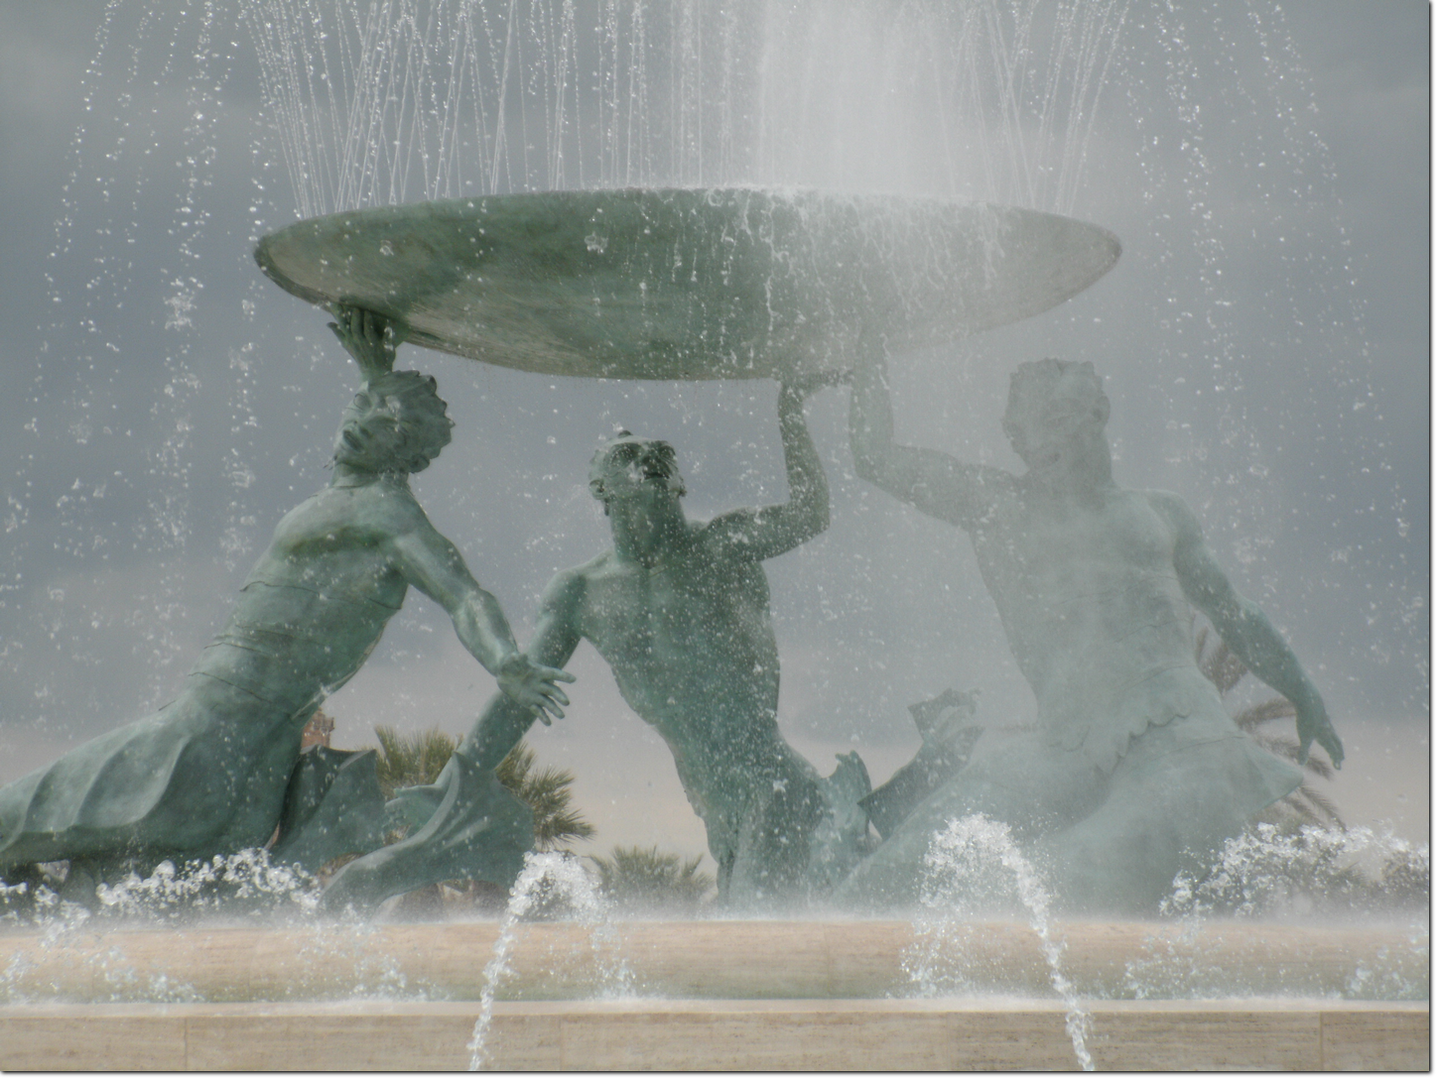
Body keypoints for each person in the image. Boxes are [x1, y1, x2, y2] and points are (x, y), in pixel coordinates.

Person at [0, 308, 571, 884]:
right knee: (120, 894)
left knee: (14, 822)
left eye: (387, 425)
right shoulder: (354, 496)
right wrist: (377, 375)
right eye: (362, 406)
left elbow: (466, 596)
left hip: (203, 739)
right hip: (245, 760)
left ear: (409, 457)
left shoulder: (390, 516)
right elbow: (380, 430)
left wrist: (506, 661)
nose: (362, 422)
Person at [838, 343, 1343, 913]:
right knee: (893, 874)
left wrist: (1303, 691)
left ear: (1097, 413)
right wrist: (871, 341)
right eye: (1020, 431)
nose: (1036, 441)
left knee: (1045, 889)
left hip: (1178, 737)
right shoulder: (998, 507)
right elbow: (875, 458)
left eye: (1055, 419)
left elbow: (1234, 612)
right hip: (1061, 746)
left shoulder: (1160, 514)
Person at [354, 373, 869, 909]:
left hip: (774, 784)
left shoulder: (722, 547)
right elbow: (519, 697)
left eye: (662, 468)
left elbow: (811, 514)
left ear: (678, 485)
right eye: (631, 467)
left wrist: (790, 411)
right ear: (602, 492)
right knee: (754, 931)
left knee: (754, 922)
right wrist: (449, 785)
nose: (651, 469)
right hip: (716, 803)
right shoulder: (581, 592)